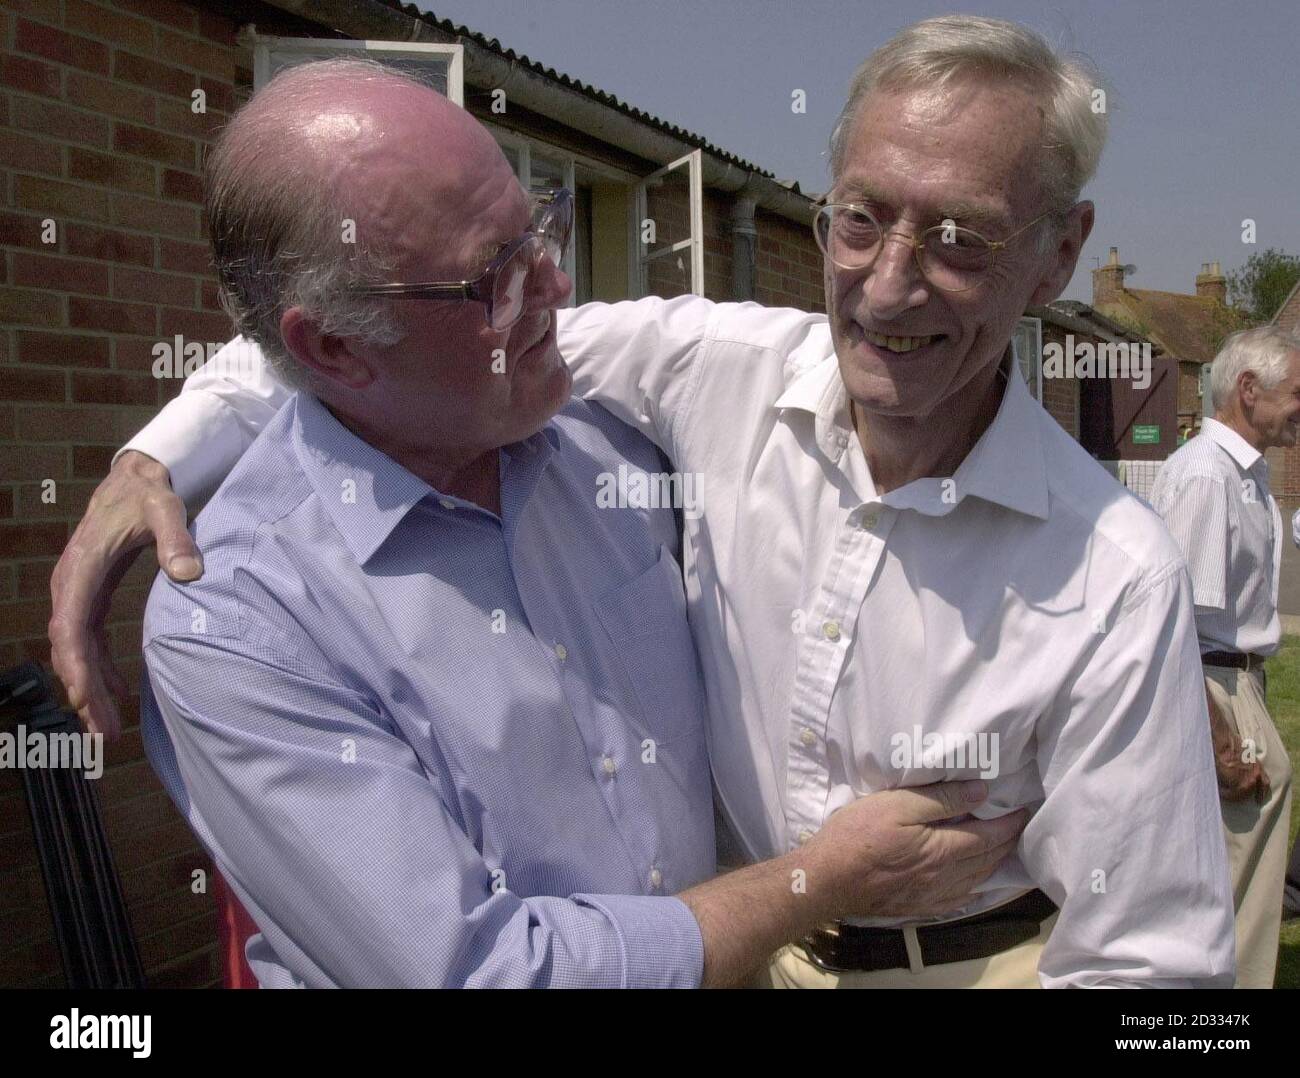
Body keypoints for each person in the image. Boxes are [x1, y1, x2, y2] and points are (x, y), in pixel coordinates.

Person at [50, 16, 1233, 987]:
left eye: (963, 237)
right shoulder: (247, 610)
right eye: (860, 217)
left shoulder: (580, 405)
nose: (886, 282)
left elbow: (1154, 968)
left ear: (1059, 254)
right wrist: (154, 455)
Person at [1151, 325, 1300, 986]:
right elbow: (1174, 622)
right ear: (1249, 389)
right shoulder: (1208, 477)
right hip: (1216, 689)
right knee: (1232, 892)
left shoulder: (1238, 475)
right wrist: (1221, 741)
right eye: (1297, 392)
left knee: (1238, 885)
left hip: (1233, 686)